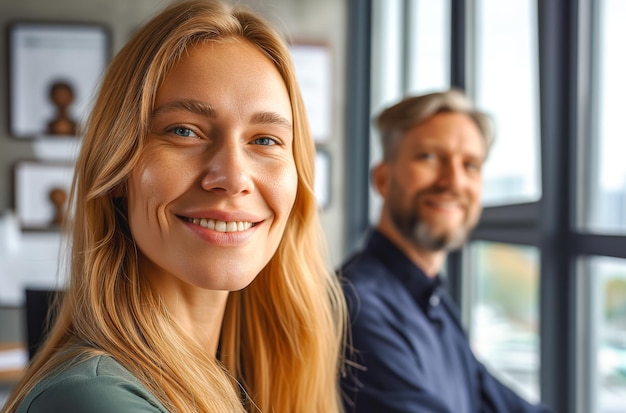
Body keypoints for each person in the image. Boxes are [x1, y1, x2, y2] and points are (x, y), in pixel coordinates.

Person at [2, 1, 347, 412]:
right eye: (184, 131)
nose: (233, 177)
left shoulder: (248, 379)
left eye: (265, 140)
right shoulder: (92, 400)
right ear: (117, 172)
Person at [340, 89, 552, 413]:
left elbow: (499, 401)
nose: (453, 181)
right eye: (428, 157)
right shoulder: (355, 307)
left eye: (470, 165)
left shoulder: (432, 298)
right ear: (383, 179)